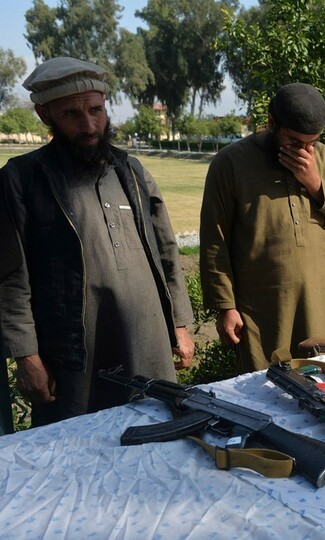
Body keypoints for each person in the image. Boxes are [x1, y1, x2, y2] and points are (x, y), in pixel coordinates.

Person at [0, 57, 194, 427]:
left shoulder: (131, 171)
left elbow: (167, 251)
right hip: (73, 356)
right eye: (72, 114)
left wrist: (180, 324)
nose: (89, 126)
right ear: (44, 114)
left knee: (157, 432)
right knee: (77, 444)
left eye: (95, 110)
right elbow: (11, 276)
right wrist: (26, 355)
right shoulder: (20, 180)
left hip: (148, 344)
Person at [200, 83, 325, 374]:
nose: (305, 150)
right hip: (261, 310)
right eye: (295, 141)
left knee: (322, 381)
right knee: (264, 388)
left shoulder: (322, 158)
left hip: (317, 303)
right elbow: (214, 241)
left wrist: (313, 181)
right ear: (272, 123)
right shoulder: (230, 163)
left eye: (312, 142)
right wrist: (225, 306)